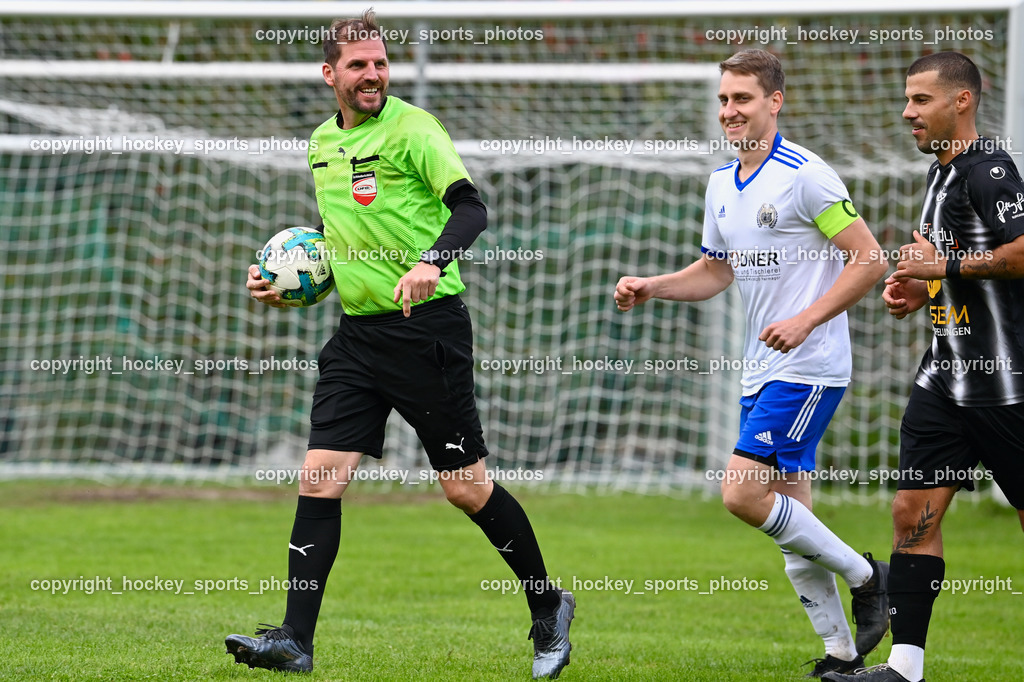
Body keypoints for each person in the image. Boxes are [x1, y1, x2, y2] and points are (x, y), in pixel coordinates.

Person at [224, 10, 574, 679]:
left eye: (380, 62)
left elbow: (471, 208)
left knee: (466, 490)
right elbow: (343, 247)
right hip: (357, 339)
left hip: (427, 333)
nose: (373, 74)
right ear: (330, 74)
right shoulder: (321, 144)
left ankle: (546, 605)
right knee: (320, 477)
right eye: (358, 65)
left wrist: (431, 262)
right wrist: (291, 282)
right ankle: (295, 640)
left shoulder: (414, 128)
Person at [614, 49, 890, 678]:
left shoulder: (805, 176)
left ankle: (869, 577)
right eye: (723, 99)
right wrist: (652, 285)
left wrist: (806, 320)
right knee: (794, 518)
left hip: (810, 365)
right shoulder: (720, 182)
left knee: (741, 493)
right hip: (760, 369)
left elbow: (870, 259)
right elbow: (716, 271)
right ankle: (842, 656)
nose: (730, 110)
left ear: (775, 102)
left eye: (742, 99)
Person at [822, 52, 1024, 682]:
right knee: (912, 510)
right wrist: (915, 289)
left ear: (961, 101)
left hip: (1007, 384)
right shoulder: (941, 175)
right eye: (907, 100)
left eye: (920, 100)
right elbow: (943, 264)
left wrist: (947, 269)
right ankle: (906, 668)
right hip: (944, 378)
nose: (907, 113)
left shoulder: (990, 169)